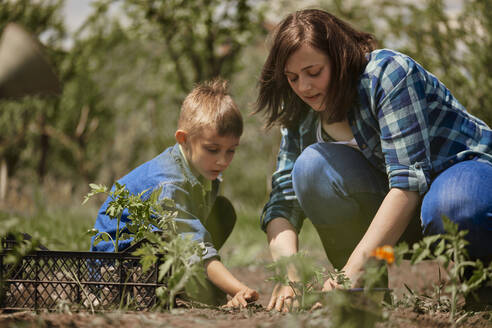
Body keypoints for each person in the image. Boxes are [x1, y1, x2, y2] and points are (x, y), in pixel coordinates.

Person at [255, 9, 492, 312]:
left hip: (460, 184)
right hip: (396, 223)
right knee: (310, 166)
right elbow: (282, 204)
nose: (304, 87)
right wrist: (288, 273)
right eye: (293, 78)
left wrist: (350, 272)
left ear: (339, 58)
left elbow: (407, 184)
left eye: (314, 72)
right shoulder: (300, 110)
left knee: (455, 204)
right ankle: (365, 295)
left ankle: (482, 284)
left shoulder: (388, 73)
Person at [91, 79, 259, 308]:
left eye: (231, 151)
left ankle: (190, 285)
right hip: (118, 268)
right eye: (212, 149)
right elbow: (194, 244)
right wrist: (239, 289)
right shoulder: (168, 183)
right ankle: (179, 288)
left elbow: (195, 235)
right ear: (183, 139)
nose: (223, 160)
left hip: (162, 251)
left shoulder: (203, 170)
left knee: (223, 210)